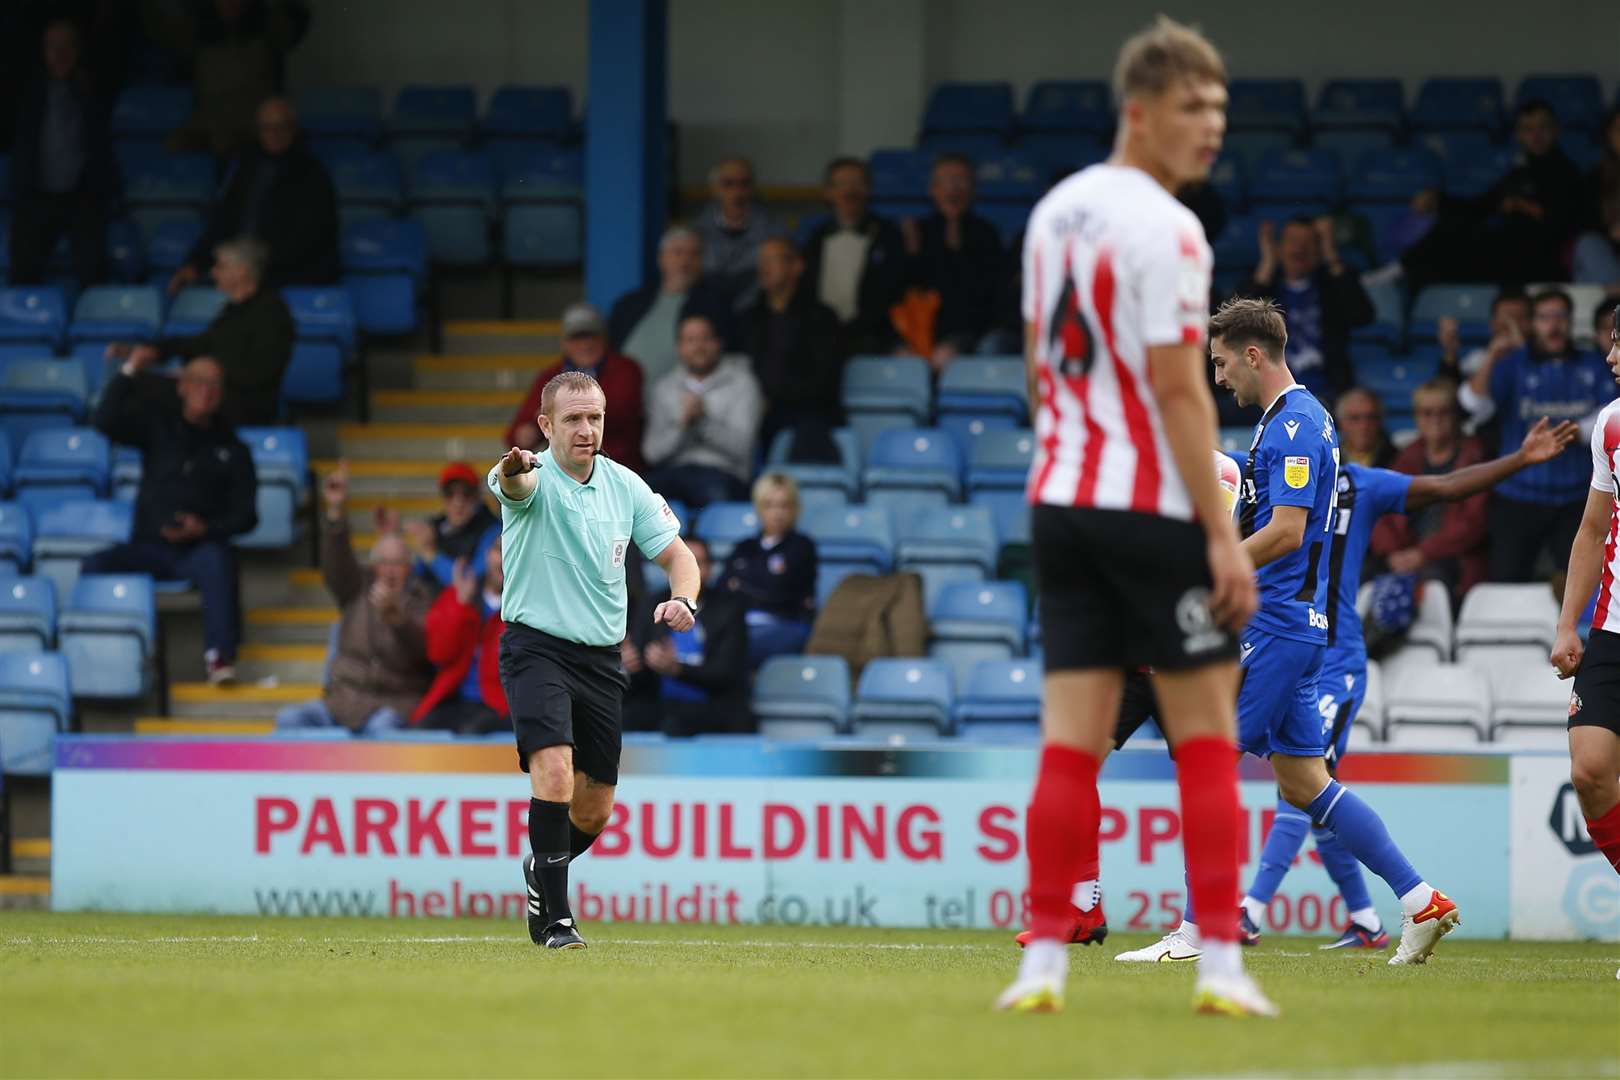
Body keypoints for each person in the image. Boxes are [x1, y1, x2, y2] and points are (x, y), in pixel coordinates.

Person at [997, 18, 1271, 1018]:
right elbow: (1178, 390)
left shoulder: (1053, 214)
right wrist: (1215, 535)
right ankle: (1224, 970)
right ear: (1141, 111)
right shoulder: (1173, 229)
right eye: (1196, 109)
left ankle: (1040, 964)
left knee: (1070, 742)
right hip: (1149, 508)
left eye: (1222, 111)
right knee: (1203, 739)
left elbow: (1037, 373)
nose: (1213, 130)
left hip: (1061, 504)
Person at [1114, 297, 1459, 973]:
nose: (1218, 378)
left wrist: (1213, 573)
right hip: (1300, 629)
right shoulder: (1297, 422)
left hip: (1276, 625)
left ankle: (1199, 929)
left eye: (1220, 363)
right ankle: (1421, 900)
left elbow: (1287, 532)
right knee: (1306, 781)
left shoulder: (1296, 425)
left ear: (1252, 354)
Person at [1238, 412, 1576, 948]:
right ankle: (1372, 919)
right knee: (1312, 789)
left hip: (1334, 658)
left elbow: (1443, 487)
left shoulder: (1358, 484)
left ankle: (1247, 913)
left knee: (1296, 781)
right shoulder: (1270, 472)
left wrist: (1518, 459)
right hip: (1285, 642)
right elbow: (1215, 474)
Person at [490, 370, 701, 950]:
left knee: (596, 806)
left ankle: (543, 866)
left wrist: (684, 598)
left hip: (603, 659)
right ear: (545, 425)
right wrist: (514, 467)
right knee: (554, 769)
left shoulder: (626, 486)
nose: (586, 429)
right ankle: (556, 919)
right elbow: (513, 485)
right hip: (536, 647)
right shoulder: (530, 471)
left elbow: (680, 558)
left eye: (596, 418)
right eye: (573, 419)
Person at [83, 352, 257, 686]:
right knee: (95, 564)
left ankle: (219, 658)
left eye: (214, 384)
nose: (206, 391)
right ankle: (106, 660)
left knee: (219, 559)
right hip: (148, 546)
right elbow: (104, 421)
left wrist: (205, 528)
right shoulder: (157, 428)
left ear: (222, 393)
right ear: (182, 386)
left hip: (197, 550)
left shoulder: (234, 449)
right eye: (198, 382)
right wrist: (130, 370)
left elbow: (247, 516)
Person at [1550, 305, 1620, 983]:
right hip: (1613, 631)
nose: (1609, 357)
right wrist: (1568, 623)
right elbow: (1594, 529)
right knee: (1590, 771)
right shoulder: (1611, 425)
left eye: (1619, 345)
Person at [1461, 289, 1616, 583]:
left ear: (1571, 322)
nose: (1554, 325)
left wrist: (1571, 433)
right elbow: (1474, 408)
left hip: (1576, 500)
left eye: (1560, 316)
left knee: (1585, 586)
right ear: (1532, 323)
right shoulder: (1511, 363)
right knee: (1506, 584)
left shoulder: (1594, 363)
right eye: (1545, 317)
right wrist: (1493, 354)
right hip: (1517, 497)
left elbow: (1610, 414)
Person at [276, 465, 435, 734]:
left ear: (410, 567)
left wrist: (400, 621)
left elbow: (428, 652)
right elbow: (336, 563)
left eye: (398, 563)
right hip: (342, 700)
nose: (390, 570)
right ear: (374, 567)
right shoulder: (356, 588)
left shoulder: (423, 598)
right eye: (384, 562)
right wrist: (336, 511)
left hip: (391, 704)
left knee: (383, 730)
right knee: (289, 720)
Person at [106, 237, 294, 427]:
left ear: (242, 271)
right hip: (214, 390)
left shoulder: (273, 313)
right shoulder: (231, 311)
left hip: (245, 403)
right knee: (140, 383)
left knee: (161, 392)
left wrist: (203, 375)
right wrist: (155, 350)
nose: (213, 272)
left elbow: (261, 370)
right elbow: (199, 343)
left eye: (220, 266)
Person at [169, 95, 339, 295]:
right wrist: (195, 264)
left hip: (289, 274)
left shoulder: (313, 174)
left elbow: (311, 237)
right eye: (266, 127)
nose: (273, 133)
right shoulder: (246, 167)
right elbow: (223, 221)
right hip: (242, 269)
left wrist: (255, 264)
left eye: (281, 126)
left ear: (293, 129)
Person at [7, 18, 115, 289]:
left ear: (78, 51)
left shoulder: (93, 91)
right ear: (43, 52)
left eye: (67, 47)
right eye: (53, 47)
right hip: (37, 194)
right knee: (23, 265)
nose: (60, 54)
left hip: (82, 195)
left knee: (94, 267)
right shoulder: (26, 93)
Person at [142, 0, 311, 158]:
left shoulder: (268, 26)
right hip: (208, 124)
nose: (230, 3)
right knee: (173, 146)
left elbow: (296, 20)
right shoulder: (199, 28)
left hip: (256, 125)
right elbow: (163, 30)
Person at [1371, 380, 1490, 600]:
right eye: (1427, 413)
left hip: (1453, 561)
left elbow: (1473, 525)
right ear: (1416, 417)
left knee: (1434, 585)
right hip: (1403, 556)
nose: (1435, 419)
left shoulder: (1475, 458)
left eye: (1443, 412)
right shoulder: (1406, 458)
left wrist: (1422, 554)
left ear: (1456, 416)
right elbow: (1380, 512)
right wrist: (1394, 554)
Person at [1236, 216, 1373, 400]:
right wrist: (1268, 263)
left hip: (1329, 392)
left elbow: (1362, 315)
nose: (1300, 248)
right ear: (1279, 247)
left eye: (1309, 242)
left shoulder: (1331, 285)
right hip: (1269, 391)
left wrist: (1331, 255)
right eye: (1293, 241)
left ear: (1319, 250)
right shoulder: (1266, 286)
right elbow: (1236, 325)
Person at [625, 538, 751, 736]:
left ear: (710, 569)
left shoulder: (729, 608)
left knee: (677, 724)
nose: (688, 572)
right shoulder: (651, 605)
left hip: (712, 705)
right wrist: (629, 665)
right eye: (682, 564)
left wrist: (677, 668)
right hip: (660, 704)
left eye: (697, 563)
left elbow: (726, 673)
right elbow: (640, 673)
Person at [736, 236, 845, 464]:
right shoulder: (748, 318)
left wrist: (773, 398)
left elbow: (825, 381)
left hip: (806, 414)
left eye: (772, 260)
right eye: (761, 261)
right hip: (753, 412)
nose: (763, 267)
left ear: (796, 266)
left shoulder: (822, 317)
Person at [504, 303, 646, 473]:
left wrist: (561, 412)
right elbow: (517, 433)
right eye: (577, 338)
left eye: (591, 336)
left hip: (619, 465)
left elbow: (621, 412)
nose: (585, 345)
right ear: (565, 343)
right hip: (563, 469)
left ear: (604, 339)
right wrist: (528, 432)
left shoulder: (626, 369)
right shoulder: (551, 374)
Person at [642, 312, 765, 509]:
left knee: (715, 496)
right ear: (679, 348)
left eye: (705, 339)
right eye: (690, 340)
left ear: (718, 343)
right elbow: (652, 453)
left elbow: (743, 448)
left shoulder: (742, 383)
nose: (698, 347)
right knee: (637, 501)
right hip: (675, 472)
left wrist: (703, 422)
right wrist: (683, 427)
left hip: (724, 473)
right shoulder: (665, 387)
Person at [903, 153, 1003, 369]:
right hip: (922, 329)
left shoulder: (986, 234)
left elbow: (989, 298)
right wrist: (911, 255)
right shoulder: (917, 232)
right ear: (933, 189)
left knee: (944, 358)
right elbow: (905, 290)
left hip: (970, 330)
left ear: (973, 190)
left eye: (960, 181)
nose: (953, 188)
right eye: (946, 181)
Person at [801, 157, 908, 355]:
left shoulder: (889, 234)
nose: (850, 191)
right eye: (841, 184)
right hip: (822, 336)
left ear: (869, 190)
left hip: (874, 336)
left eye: (857, 183)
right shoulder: (815, 238)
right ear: (828, 192)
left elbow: (894, 291)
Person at [607, 225, 729, 387]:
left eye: (694, 254)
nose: (685, 261)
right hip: (627, 403)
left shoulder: (715, 307)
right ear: (661, 259)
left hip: (684, 404)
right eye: (678, 253)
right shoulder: (628, 304)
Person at [412, 538, 508, 736]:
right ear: (487, 555)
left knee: (471, 733)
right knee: (419, 732)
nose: (504, 559)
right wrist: (460, 606)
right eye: (499, 550)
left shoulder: (529, 606)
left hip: (501, 706)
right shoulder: (457, 594)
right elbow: (439, 655)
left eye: (512, 550)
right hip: (455, 700)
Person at [722, 472, 819, 666]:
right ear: (758, 508)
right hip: (741, 623)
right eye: (769, 505)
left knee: (729, 646)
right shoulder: (744, 546)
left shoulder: (802, 547)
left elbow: (784, 596)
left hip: (785, 624)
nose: (777, 513)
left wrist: (742, 586)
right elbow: (723, 588)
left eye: (784, 505)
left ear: (795, 509)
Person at [394, 462, 499, 590]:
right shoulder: (435, 527)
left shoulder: (493, 530)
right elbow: (416, 579)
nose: (458, 502)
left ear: (477, 496)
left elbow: (469, 582)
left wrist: (431, 554)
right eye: (450, 494)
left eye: (466, 494)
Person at [694, 155, 776, 309]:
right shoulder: (697, 234)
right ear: (715, 189)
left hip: (759, 315)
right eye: (728, 184)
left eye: (744, 184)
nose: (737, 191)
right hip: (709, 314)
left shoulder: (775, 233)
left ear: (752, 188)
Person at [1437, 288, 1529, 383]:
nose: (1512, 326)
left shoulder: (1543, 361)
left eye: (1520, 318)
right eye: (1506, 318)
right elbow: (1448, 393)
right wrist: (1450, 353)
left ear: (1532, 323)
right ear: (1492, 324)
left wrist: (1520, 349)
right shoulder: (1477, 360)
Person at [1572, 107, 1620, 288]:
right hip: (1608, 257)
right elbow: (1582, 223)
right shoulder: (1594, 179)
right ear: (1609, 136)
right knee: (1588, 245)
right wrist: (1611, 233)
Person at [1335, 387, 1396, 469]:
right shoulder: (1327, 460)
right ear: (1340, 422)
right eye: (1355, 418)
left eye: (1371, 417)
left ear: (1380, 420)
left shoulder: (1398, 460)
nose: (1363, 426)